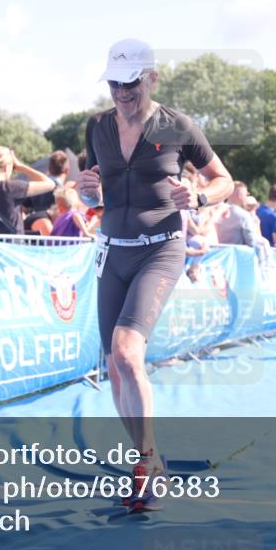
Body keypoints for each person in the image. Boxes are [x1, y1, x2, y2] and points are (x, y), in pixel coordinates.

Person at [76, 38, 234, 512]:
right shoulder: (97, 127)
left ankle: (145, 467)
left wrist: (200, 197)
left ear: (151, 78)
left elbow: (222, 179)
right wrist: (85, 192)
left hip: (160, 250)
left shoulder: (179, 127)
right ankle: (148, 458)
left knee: (128, 351)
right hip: (112, 251)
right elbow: (92, 192)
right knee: (114, 367)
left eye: (130, 84)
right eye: (114, 84)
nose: (122, 94)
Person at [0, 145, 57, 235]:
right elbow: (50, 184)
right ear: (7, 167)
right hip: (11, 247)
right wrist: (20, 166)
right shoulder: (11, 188)